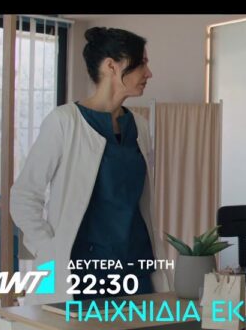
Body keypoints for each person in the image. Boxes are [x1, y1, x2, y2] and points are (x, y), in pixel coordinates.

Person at [11, 27, 169, 304]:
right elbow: (24, 195)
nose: (149, 73)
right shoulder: (64, 122)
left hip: (136, 266)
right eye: (141, 63)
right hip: (83, 272)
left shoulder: (140, 127)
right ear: (111, 66)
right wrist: (48, 249)